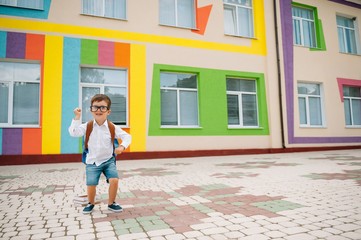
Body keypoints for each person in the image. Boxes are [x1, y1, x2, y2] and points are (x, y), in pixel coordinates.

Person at [68, 94, 131, 214]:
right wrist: (77, 117)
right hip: (92, 161)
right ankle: (91, 203)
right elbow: (74, 132)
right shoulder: (87, 126)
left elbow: (127, 136)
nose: (98, 110)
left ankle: (111, 203)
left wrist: (122, 147)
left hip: (108, 161)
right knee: (91, 183)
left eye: (102, 108)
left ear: (108, 111)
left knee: (114, 180)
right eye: (95, 107)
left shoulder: (112, 127)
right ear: (91, 110)